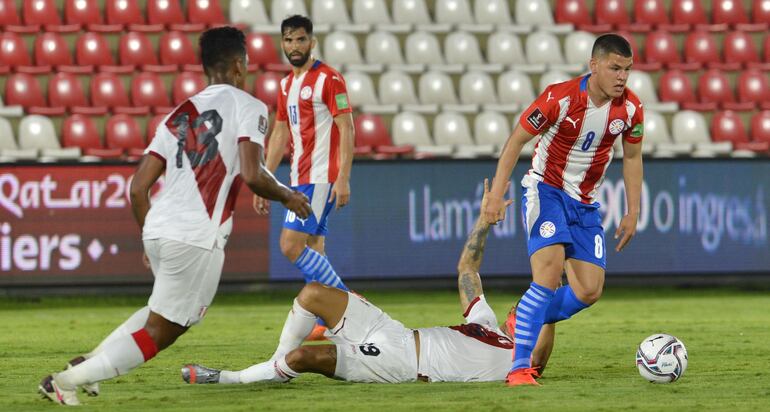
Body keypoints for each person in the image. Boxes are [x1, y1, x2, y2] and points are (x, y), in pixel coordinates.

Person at [38, 26, 312, 406]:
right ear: (239, 65)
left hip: (159, 228)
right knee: (166, 328)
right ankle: (65, 380)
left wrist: (147, 238)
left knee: (160, 313)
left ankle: (89, 364)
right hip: (196, 236)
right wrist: (288, 196)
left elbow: (138, 188)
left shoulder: (178, 114)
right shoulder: (248, 106)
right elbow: (253, 174)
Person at [180, 180, 556, 385]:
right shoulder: (486, 323)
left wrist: (550, 296)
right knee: (313, 293)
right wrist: (483, 223)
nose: (519, 310)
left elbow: (539, 357)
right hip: (395, 333)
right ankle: (274, 366)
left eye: (528, 312)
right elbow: (467, 272)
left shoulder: (517, 362)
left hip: (401, 365)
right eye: (523, 307)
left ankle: (233, 379)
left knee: (303, 358)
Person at [482, 33, 645, 387]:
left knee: (589, 291)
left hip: (585, 204)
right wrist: (496, 193)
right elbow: (516, 140)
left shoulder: (631, 109)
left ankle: (523, 316)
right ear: (594, 65)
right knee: (548, 275)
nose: (622, 77)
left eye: (627, 69)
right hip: (547, 191)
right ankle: (519, 370)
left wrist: (633, 211)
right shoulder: (560, 98)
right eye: (615, 68)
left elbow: (633, 157)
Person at [252, 16, 355, 339]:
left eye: (300, 39)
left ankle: (351, 310)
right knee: (313, 248)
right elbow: (279, 133)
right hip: (299, 178)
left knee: (290, 245)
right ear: (282, 43)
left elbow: (346, 127)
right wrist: (265, 179)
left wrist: (344, 177)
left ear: (312, 42)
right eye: (288, 40)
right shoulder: (286, 85)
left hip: (321, 176)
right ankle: (327, 322)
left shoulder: (329, 79)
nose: (294, 46)